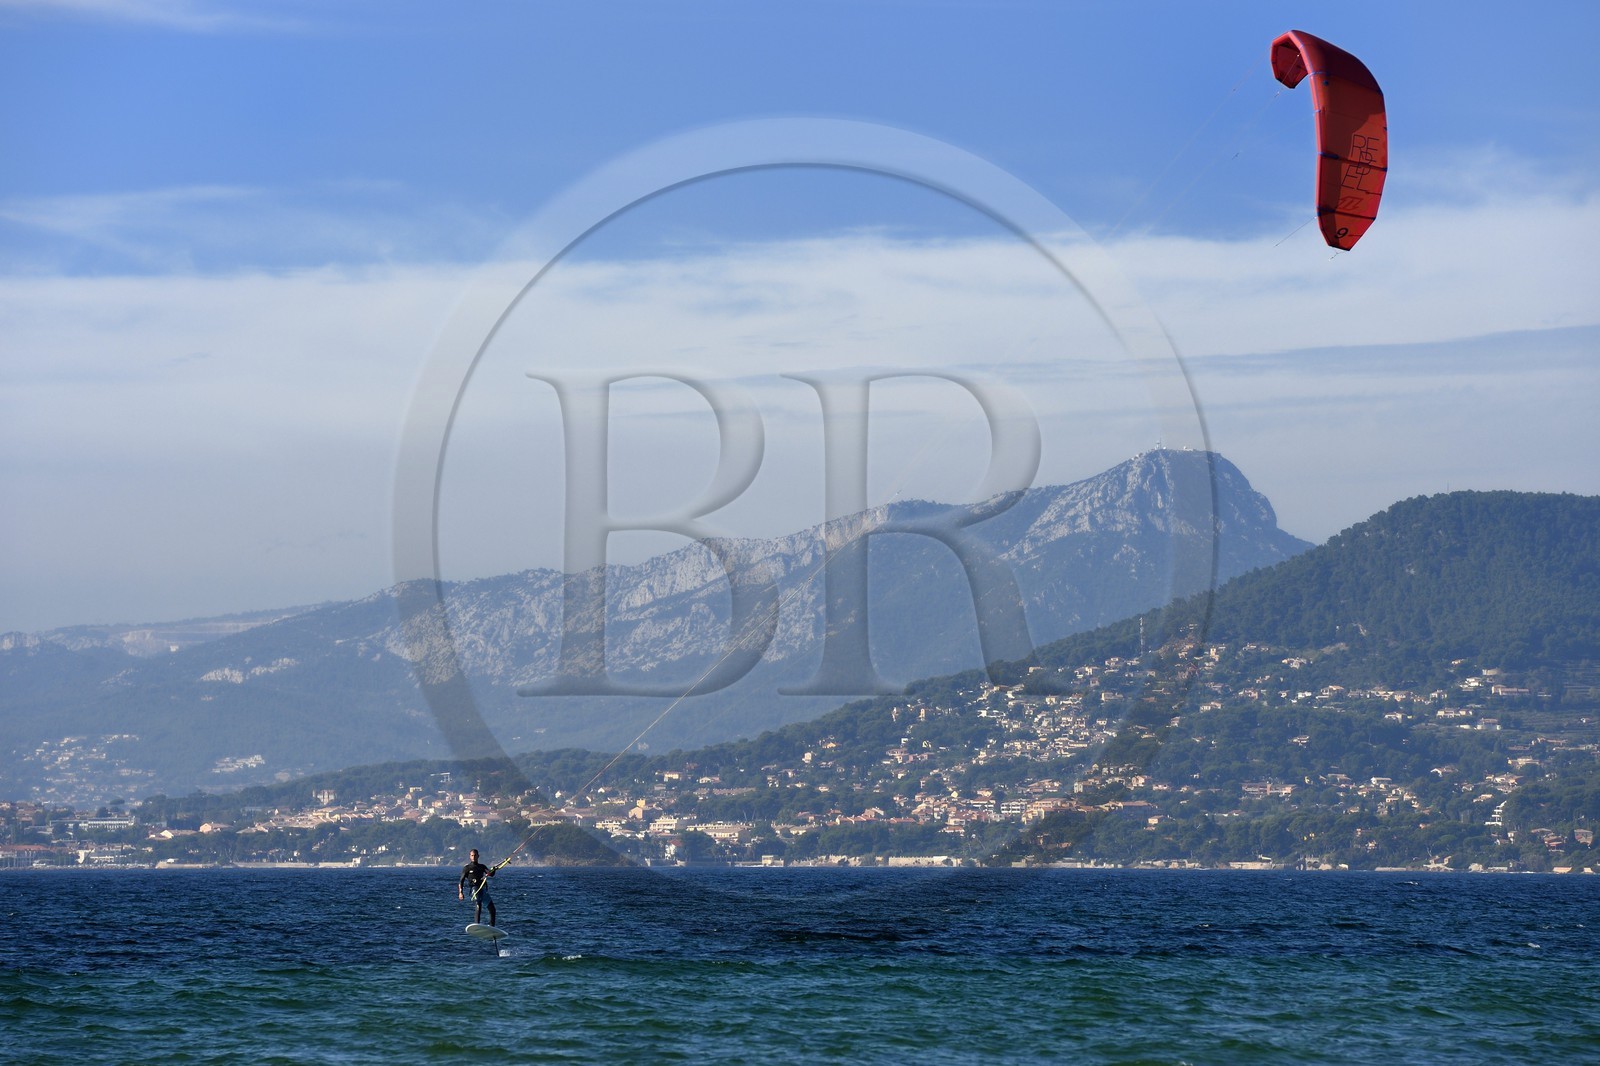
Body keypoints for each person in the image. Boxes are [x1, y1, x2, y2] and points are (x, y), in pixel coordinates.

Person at [458, 848, 498, 926]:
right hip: (475, 889)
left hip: (482, 890)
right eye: (472, 855)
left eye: (475, 855)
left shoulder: (482, 866)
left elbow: (490, 874)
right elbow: (461, 881)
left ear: (478, 856)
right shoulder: (467, 868)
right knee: (478, 905)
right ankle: (477, 925)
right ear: (470, 856)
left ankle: (492, 926)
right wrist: (460, 892)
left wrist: (494, 869)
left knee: (492, 909)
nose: (473, 857)